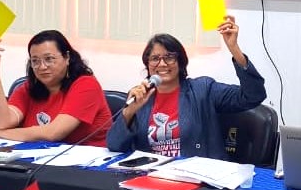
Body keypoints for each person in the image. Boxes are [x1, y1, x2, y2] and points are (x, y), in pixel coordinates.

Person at [107, 16, 266, 159]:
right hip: (152, 180)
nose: (162, 64)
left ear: (180, 62)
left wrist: (235, 50)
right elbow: (115, 146)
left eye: (169, 57)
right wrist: (128, 113)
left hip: (197, 182)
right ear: (147, 65)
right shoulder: (140, 97)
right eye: (155, 58)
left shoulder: (203, 90)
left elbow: (253, 96)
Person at [0, 29, 111, 145]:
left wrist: (2, 133)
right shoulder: (28, 88)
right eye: (35, 61)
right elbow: (2, 122)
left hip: (91, 165)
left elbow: (53, 133)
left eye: (49, 59)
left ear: (67, 57)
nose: (42, 67)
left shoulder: (86, 85)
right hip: (40, 159)